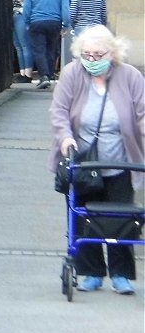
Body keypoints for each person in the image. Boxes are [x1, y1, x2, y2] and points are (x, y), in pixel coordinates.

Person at [48, 24, 145, 294]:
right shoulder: (72, 74)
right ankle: (91, 272)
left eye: (98, 55)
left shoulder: (130, 77)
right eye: (86, 55)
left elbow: (142, 115)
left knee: (120, 218)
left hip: (119, 160)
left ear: (112, 54)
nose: (91, 60)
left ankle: (121, 274)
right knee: (84, 218)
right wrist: (66, 138)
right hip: (82, 161)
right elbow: (59, 112)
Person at [24, 0, 71, 89]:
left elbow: (27, 6)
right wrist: (65, 24)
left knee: (39, 50)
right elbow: (65, 8)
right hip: (54, 21)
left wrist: (27, 21)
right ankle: (49, 75)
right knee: (52, 49)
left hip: (36, 20)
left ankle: (44, 76)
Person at [11, 0, 34, 82]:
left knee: (25, 44)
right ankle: (22, 72)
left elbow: (30, 1)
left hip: (22, 15)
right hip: (12, 16)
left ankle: (28, 74)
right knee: (17, 45)